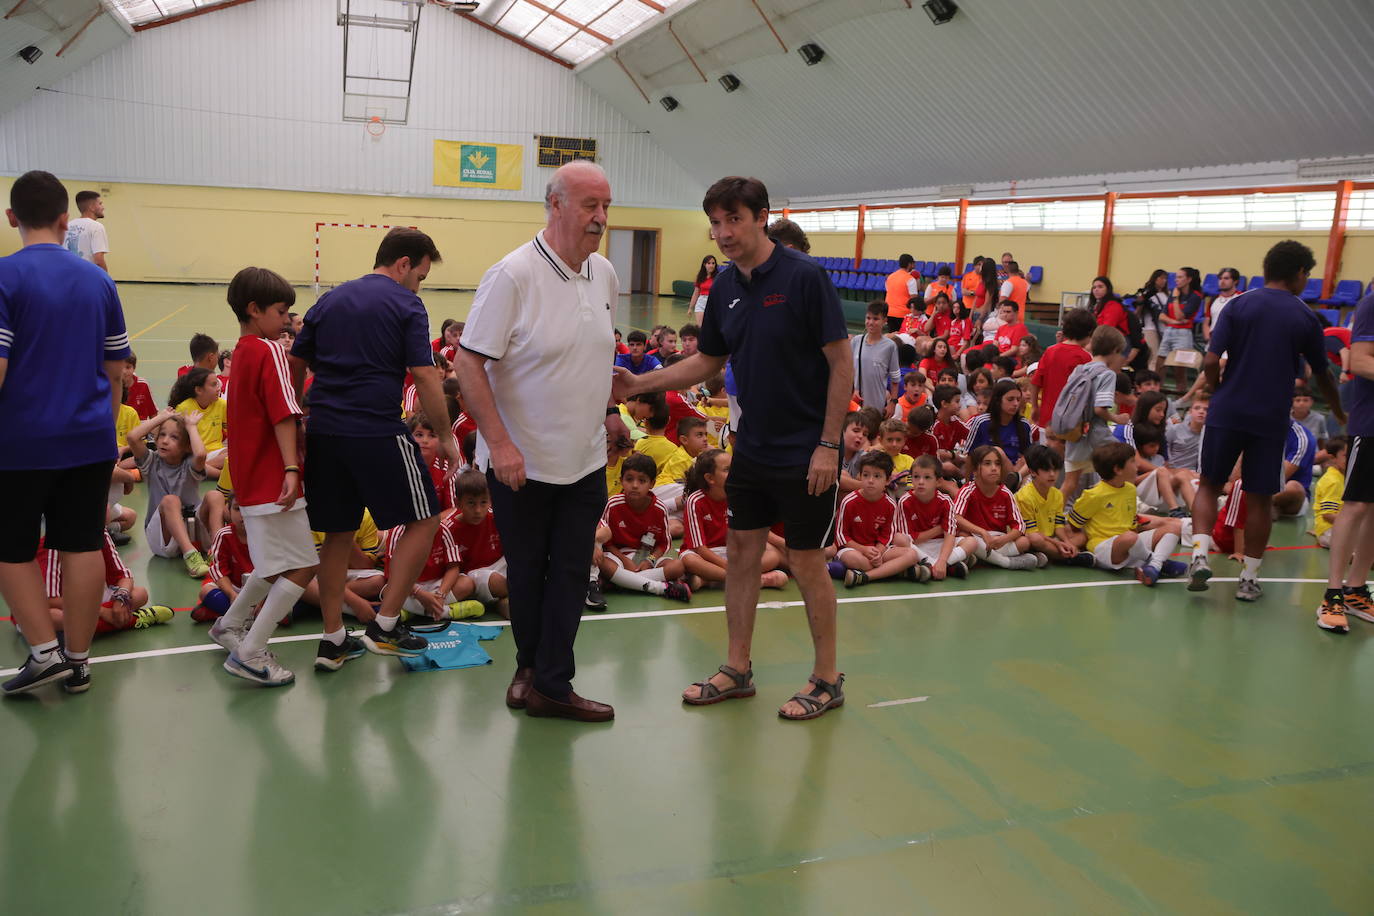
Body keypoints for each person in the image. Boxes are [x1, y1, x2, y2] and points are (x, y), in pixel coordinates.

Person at [614, 175, 853, 721]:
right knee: (743, 554)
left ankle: (827, 677)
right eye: (716, 223)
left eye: (734, 220)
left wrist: (828, 445)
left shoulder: (805, 278)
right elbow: (707, 361)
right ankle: (737, 668)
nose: (723, 233)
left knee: (807, 561)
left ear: (761, 216)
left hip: (806, 448)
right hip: (751, 449)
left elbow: (841, 363)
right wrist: (638, 384)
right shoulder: (724, 287)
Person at [453, 160, 626, 722]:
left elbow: (595, 354)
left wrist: (608, 411)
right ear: (555, 205)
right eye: (589, 206)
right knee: (527, 570)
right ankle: (531, 668)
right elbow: (469, 363)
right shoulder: (513, 275)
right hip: (520, 464)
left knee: (573, 569)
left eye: (605, 206)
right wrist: (500, 444)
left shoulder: (604, 275)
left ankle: (550, 681)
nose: (600, 217)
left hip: (585, 460)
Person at [290, 227, 458, 663]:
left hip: (324, 432)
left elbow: (296, 359)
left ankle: (332, 638)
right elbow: (424, 375)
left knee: (336, 537)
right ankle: (385, 624)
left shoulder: (329, 299)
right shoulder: (407, 303)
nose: (419, 284)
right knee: (425, 518)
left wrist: (299, 414)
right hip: (376, 431)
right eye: (420, 275)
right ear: (404, 264)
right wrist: (444, 434)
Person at [0, 171, 131, 696]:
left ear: (12, 219)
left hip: (19, 443)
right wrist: (105, 427)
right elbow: (116, 369)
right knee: (81, 546)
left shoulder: (5, 277)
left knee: (11, 550)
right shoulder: (98, 281)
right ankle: (78, 661)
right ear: (64, 220)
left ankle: (43, 652)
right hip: (89, 440)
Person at [1188, 240, 1345, 601]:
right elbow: (1323, 374)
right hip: (1270, 417)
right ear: (1300, 274)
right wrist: (1338, 411)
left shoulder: (1238, 304)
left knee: (1210, 485)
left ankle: (1198, 556)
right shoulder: (1305, 316)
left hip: (1227, 410)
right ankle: (1249, 579)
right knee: (1259, 498)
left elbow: (1211, 361)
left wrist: (1219, 391)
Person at [199, 267, 324, 684]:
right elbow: (284, 414)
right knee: (304, 565)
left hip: (252, 481)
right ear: (255, 310)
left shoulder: (242, 352)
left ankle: (229, 627)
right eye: (281, 311)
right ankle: (250, 652)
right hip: (274, 479)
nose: (287, 320)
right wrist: (292, 468)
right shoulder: (269, 351)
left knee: (271, 565)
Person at [1316, 286, 1374, 632]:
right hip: (1370, 426)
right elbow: (1361, 359)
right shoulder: (1372, 303)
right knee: (1355, 506)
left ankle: (1356, 589)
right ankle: (1333, 593)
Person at [1067, 441, 1186, 586]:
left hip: (1132, 545)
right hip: (1106, 548)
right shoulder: (1093, 495)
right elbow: (1073, 524)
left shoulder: (1130, 489)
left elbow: (1132, 524)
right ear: (1118, 469)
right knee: (1130, 537)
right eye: (1132, 462)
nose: (1137, 466)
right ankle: (1158, 562)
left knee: (1175, 526)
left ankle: (1153, 566)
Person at [680, 448, 788, 591]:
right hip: (705, 556)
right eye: (727, 469)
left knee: (773, 555)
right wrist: (729, 567)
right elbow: (700, 549)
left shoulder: (738, 496)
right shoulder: (695, 501)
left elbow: (755, 531)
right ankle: (757, 580)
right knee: (689, 560)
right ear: (710, 478)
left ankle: (706, 580)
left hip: (731, 553)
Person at [832, 450, 921, 587]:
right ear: (860, 476)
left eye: (877, 476)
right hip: (853, 549)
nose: (870, 480)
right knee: (855, 559)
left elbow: (887, 535)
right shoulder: (849, 501)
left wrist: (878, 552)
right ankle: (894, 570)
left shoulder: (890, 505)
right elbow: (841, 536)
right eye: (866, 475)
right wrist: (863, 549)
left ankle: (865, 576)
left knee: (912, 554)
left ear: (887, 480)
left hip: (878, 550)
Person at [953, 445, 1043, 570]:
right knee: (965, 538)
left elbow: (1020, 526)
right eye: (987, 464)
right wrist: (982, 532)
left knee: (1024, 542)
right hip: (975, 537)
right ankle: (1005, 562)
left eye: (997, 464)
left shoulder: (1005, 493)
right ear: (975, 470)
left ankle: (982, 559)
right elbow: (956, 517)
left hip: (998, 541)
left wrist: (1004, 539)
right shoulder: (967, 490)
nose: (994, 468)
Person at [897, 454, 969, 579]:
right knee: (899, 539)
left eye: (927, 477)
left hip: (940, 545)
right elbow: (912, 539)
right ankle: (944, 566)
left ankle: (935, 567)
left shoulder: (945, 501)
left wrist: (942, 560)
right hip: (917, 548)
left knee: (971, 542)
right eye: (916, 477)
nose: (920, 482)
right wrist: (939, 528)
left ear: (938, 481)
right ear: (911, 479)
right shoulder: (905, 502)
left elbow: (950, 535)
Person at [1029, 307, 1095, 430]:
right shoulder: (1085, 357)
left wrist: (1034, 407)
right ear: (1089, 332)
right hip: (1070, 421)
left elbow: (1035, 382)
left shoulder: (1050, 351)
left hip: (1047, 418)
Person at [1159, 266, 1204, 391]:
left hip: (1183, 334)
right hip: (1169, 331)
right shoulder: (1174, 291)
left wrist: (1176, 299)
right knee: (1160, 365)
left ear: (1188, 279)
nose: (1176, 280)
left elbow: (1180, 316)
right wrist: (1173, 321)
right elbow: (1162, 316)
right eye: (1176, 277)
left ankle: (1181, 399)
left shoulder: (1195, 296)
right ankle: (1156, 394)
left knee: (1179, 369)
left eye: (1180, 277)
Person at [853, 301, 901, 416]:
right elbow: (848, 370)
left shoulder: (890, 346)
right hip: (856, 404)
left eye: (875, 319)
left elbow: (895, 378)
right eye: (868, 318)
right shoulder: (856, 341)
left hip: (877, 406)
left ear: (884, 321)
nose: (870, 322)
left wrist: (892, 403)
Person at [1311, 436, 1347, 550]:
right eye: (1346, 456)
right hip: (1330, 531)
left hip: (1339, 528)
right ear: (1333, 458)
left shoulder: (1343, 477)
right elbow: (1328, 515)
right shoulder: (1333, 481)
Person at [64, 189, 109, 273]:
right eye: (100, 204)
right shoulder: (96, 227)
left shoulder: (67, 226)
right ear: (91, 207)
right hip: (86, 277)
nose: (103, 207)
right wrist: (106, 280)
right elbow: (98, 260)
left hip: (67, 276)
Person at [885, 254, 921, 333]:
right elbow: (914, 299)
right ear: (909, 264)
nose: (914, 265)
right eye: (913, 263)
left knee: (892, 338)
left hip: (889, 312)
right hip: (903, 315)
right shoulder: (910, 279)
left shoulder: (890, 277)